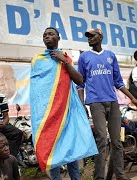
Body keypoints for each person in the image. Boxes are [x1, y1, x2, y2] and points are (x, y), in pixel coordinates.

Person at [31, 27, 97, 179]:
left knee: (70, 148)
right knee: (53, 150)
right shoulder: (38, 60)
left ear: (58, 38)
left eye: (51, 34)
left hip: (67, 111)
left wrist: (64, 61)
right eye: (44, 34)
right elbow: (37, 91)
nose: (47, 36)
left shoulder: (65, 57)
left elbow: (80, 80)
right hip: (48, 114)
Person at [77, 28, 137, 180]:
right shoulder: (84, 57)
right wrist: (81, 104)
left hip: (112, 102)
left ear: (100, 37)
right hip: (95, 102)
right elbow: (80, 84)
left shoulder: (110, 56)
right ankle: (99, 177)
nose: (89, 39)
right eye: (88, 37)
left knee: (117, 141)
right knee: (102, 140)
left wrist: (133, 98)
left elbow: (118, 82)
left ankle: (120, 174)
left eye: (92, 36)